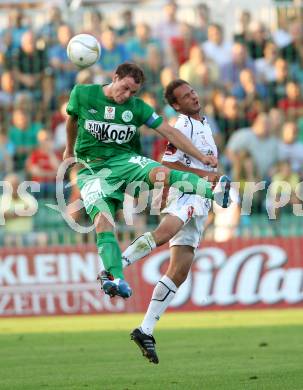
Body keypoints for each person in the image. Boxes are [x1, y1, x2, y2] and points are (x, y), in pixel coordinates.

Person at [64, 62, 230, 300]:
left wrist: (201, 156)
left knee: (159, 172)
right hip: (92, 168)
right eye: (125, 88)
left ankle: (212, 191)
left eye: (133, 92)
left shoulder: (138, 108)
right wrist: (69, 151)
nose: (127, 95)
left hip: (125, 160)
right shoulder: (82, 93)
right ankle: (115, 278)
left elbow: (170, 132)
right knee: (103, 220)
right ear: (115, 77)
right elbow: (71, 119)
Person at [119, 79, 225, 363]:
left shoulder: (202, 122)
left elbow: (203, 163)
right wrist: (205, 178)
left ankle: (145, 329)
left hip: (199, 198)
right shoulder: (183, 125)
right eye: (185, 96)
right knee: (164, 233)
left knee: (180, 269)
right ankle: (118, 265)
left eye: (193, 91)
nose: (193, 97)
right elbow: (168, 164)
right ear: (176, 105)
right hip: (185, 191)